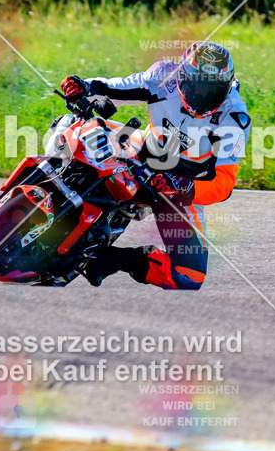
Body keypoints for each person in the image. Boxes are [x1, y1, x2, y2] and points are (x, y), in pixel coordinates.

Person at [60, 41, 251, 290]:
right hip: (140, 154)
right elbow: (115, 87)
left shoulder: (234, 117)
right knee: (77, 129)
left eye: (213, 91)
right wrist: (84, 86)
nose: (204, 98)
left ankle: (109, 259)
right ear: (182, 76)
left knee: (188, 277)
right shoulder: (164, 77)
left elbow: (224, 183)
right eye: (198, 88)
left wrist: (185, 190)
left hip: (178, 190)